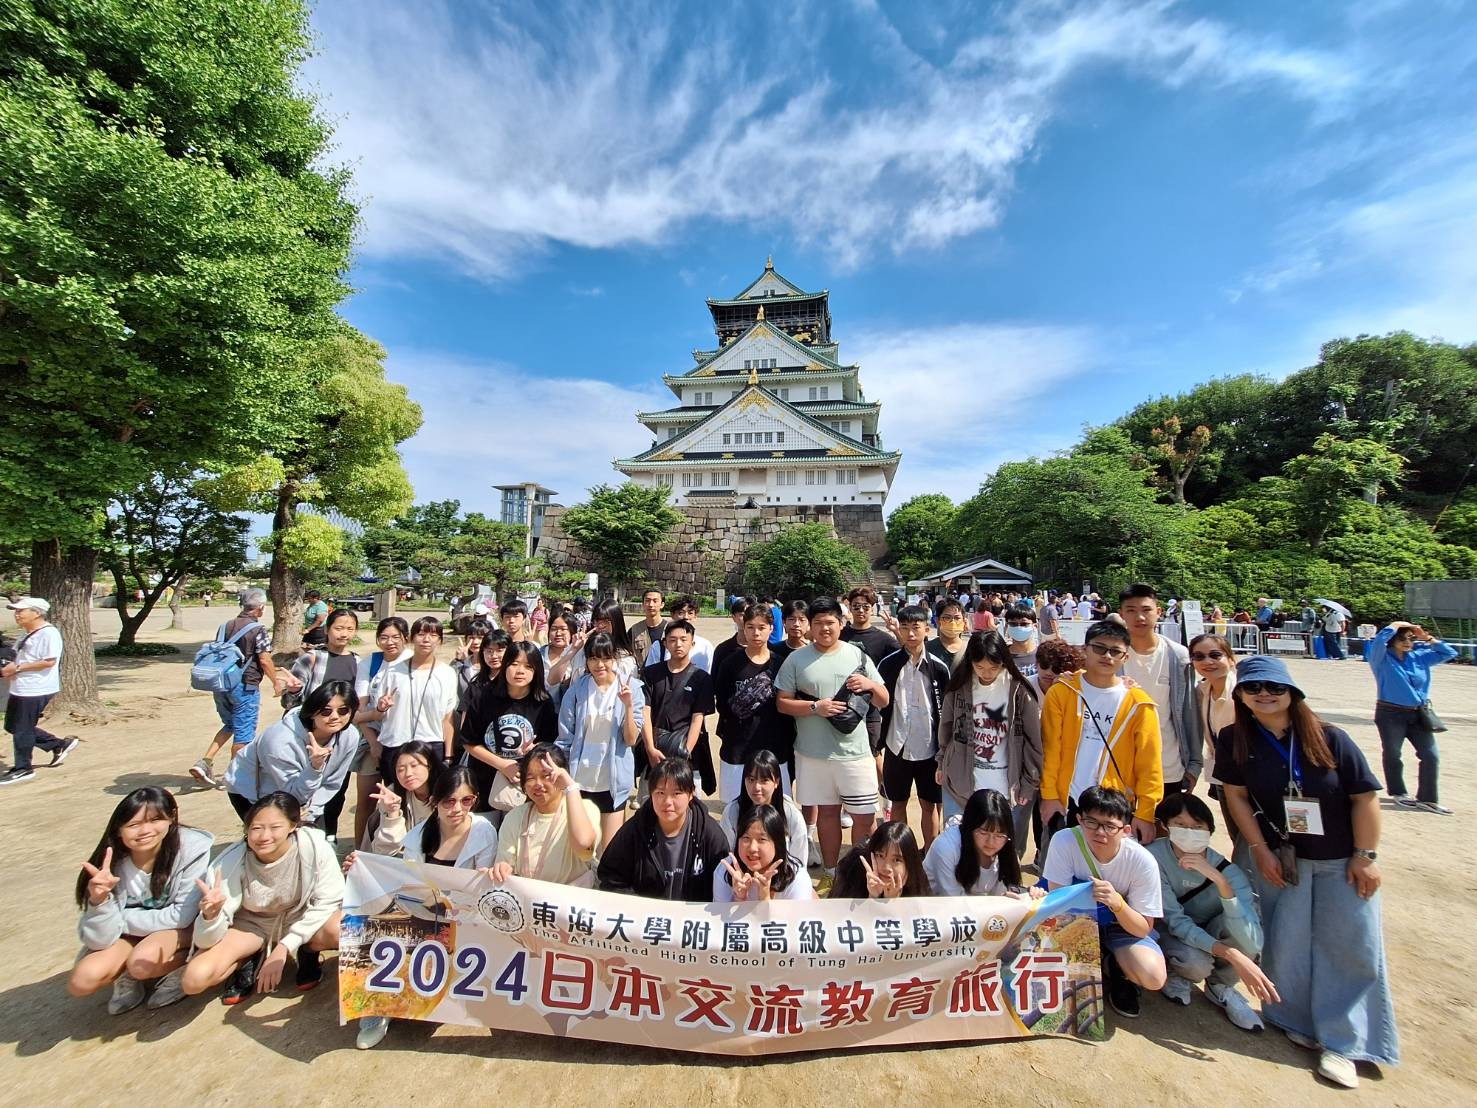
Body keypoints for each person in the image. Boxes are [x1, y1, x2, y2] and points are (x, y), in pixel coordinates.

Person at [1216, 655, 1395, 1089]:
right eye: (1253, 688)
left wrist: (1365, 855)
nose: (1264, 695)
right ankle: (1292, 1017)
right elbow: (1236, 796)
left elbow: (1364, 797)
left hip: (1339, 858)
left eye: (1274, 688)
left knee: (1349, 946)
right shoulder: (1234, 738)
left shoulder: (1330, 737)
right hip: (1283, 856)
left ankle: (1343, 1042)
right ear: (1240, 695)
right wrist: (1259, 849)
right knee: (1287, 940)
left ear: (1292, 692)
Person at [349, 765, 495, 1049]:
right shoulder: (418, 836)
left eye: (466, 800)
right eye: (449, 801)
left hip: (464, 918)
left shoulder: (484, 831)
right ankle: (377, 1008)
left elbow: (480, 891)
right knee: (377, 922)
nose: (457, 809)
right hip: (421, 912)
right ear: (435, 801)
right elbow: (404, 882)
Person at [180, 792, 343, 1004]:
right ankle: (248, 957)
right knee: (194, 980)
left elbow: (328, 901)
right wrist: (210, 917)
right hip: (251, 925)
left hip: (300, 916)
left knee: (343, 930)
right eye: (256, 828)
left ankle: (308, 950)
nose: (264, 836)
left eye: (275, 827)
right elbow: (205, 940)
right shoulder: (229, 863)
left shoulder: (314, 847)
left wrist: (285, 946)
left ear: (293, 825)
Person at [69, 788, 213, 1013]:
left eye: (155, 820)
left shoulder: (191, 849)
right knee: (83, 980)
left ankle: (180, 968)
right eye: (133, 824)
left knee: (142, 962)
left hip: (179, 930)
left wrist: (118, 918)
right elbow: (99, 940)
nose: (145, 831)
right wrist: (100, 901)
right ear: (118, 830)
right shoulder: (109, 864)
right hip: (130, 933)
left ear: (171, 818)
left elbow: (181, 916)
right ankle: (128, 974)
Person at [776, 597, 890, 876]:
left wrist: (870, 684)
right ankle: (831, 872)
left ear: (841, 623)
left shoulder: (858, 656)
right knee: (827, 815)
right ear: (810, 626)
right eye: (818, 623)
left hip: (855, 753)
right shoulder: (796, 659)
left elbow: (884, 700)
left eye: (830, 622)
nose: (824, 628)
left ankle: (862, 875)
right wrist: (816, 707)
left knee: (864, 817)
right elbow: (782, 703)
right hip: (812, 753)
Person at [1148, 792, 1275, 1032]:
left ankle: (1221, 985)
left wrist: (1221, 883)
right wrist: (1231, 954)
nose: (1189, 832)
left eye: (1198, 827)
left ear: (1210, 830)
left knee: (1240, 926)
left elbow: (1252, 941)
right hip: (1173, 933)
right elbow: (1176, 921)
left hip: (1209, 930)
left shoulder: (1228, 871)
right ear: (1165, 826)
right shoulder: (1154, 857)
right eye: (1180, 825)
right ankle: (1177, 973)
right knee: (1195, 963)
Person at [1043, 785, 1166, 1018]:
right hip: (1076, 922)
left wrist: (1118, 904)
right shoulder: (1064, 840)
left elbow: (1143, 928)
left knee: (1153, 976)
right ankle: (1097, 960)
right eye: (1091, 822)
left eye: (1110, 826)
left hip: (1122, 926)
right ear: (1079, 820)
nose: (1100, 832)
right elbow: (1058, 905)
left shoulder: (1142, 861)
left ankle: (1116, 967)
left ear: (1126, 830)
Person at [1039, 620, 1163, 844]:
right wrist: (1049, 795)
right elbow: (1051, 750)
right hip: (1068, 800)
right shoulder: (1061, 693)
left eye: (1115, 651)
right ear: (1084, 649)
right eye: (1099, 648)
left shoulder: (1139, 704)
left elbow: (1149, 763)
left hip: (1114, 805)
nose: (1107, 656)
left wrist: (1145, 813)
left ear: (1126, 657)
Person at [937, 631, 1041, 849]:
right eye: (980, 667)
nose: (986, 673)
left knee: (1004, 848)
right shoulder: (958, 688)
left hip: (1007, 786)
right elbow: (946, 728)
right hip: (961, 782)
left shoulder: (1019, 690)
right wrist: (941, 762)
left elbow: (1033, 741)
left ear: (1004, 661)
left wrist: (1029, 783)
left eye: (993, 667)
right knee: (959, 845)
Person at [224, 680, 361, 825]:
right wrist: (315, 767)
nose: (335, 717)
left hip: (303, 796)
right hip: (252, 790)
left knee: (313, 835)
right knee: (272, 835)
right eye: (326, 711)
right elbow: (294, 795)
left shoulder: (350, 736)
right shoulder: (279, 741)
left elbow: (332, 783)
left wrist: (311, 810)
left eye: (343, 710)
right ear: (312, 712)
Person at [557, 631, 646, 847]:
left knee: (610, 848)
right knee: (581, 847)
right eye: (593, 658)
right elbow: (565, 738)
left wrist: (628, 705)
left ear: (614, 658)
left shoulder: (632, 688)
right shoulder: (576, 690)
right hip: (580, 778)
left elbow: (631, 739)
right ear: (586, 660)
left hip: (612, 780)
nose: (600, 665)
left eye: (606, 658)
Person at [597, 758, 729, 900]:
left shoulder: (709, 833)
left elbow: (726, 882)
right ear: (651, 793)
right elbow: (610, 876)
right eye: (660, 793)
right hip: (647, 913)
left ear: (691, 794)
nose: (667, 802)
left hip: (693, 913)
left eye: (676, 793)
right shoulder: (636, 828)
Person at [189, 589, 282, 788]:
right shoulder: (258, 629)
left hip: (220, 684)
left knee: (231, 724)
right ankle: (234, 776)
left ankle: (205, 761)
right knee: (244, 733)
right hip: (245, 686)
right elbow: (264, 660)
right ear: (260, 608)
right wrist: (275, 682)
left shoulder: (225, 626)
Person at [1118, 584, 1201, 798]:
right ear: (1121, 614)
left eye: (1146, 610)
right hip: (1119, 766)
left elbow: (1189, 711)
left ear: (1158, 612)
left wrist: (1194, 763)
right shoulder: (1110, 656)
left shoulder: (1178, 656)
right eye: (1131, 610)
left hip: (1167, 765)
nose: (1140, 617)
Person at [877, 605, 951, 846]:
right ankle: (901, 852)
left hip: (929, 746)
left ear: (927, 629)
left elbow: (946, 709)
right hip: (896, 744)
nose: (910, 633)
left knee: (929, 805)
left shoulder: (938, 667)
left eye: (916, 627)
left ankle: (930, 853)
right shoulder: (888, 665)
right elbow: (878, 703)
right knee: (897, 803)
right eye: (905, 627)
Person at [1367, 620, 1458, 814]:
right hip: (1390, 713)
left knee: (1431, 755)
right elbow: (1377, 643)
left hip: (1418, 713)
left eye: (1410, 638)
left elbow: (1450, 653)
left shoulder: (1419, 657)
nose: (1408, 642)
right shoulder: (1381, 659)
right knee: (1393, 754)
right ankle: (1399, 792)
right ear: (1392, 640)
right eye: (1402, 638)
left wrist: (1428, 638)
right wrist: (1394, 625)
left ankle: (1427, 799)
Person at [461, 640, 557, 814]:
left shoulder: (543, 703)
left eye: (528, 666)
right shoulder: (484, 697)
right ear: (505, 665)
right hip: (483, 781)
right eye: (514, 664)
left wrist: (535, 750)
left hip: (521, 788)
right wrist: (502, 765)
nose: (520, 671)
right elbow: (469, 742)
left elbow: (548, 744)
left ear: (537, 670)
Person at [486, 743, 601, 887]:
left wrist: (571, 787)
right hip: (528, 897)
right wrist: (502, 869)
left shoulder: (585, 808)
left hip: (571, 896)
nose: (538, 784)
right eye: (530, 778)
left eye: (546, 776)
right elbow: (505, 864)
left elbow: (584, 848)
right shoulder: (515, 817)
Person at [343, 616, 412, 847]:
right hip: (370, 739)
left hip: (403, 742)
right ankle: (360, 851)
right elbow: (359, 710)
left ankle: (399, 849)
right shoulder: (370, 663)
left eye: (395, 637)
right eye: (383, 637)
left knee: (402, 800)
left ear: (405, 638)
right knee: (366, 799)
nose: (389, 642)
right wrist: (374, 742)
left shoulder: (412, 662)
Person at [713, 604, 790, 802]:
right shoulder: (730, 663)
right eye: (750, 627)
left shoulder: (781, 663)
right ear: (743, 627)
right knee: (734, 805)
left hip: (774, 745)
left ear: (771, 628)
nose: (756, 633)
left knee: (775, 805)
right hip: (738, 745)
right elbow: (721, 703)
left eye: (762, 627)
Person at [0, 596, 78, 785]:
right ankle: (58, 744)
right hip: (20, 687)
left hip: (35, 688)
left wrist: (18, 668)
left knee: (22, 729)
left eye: (21, 611)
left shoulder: (48, 633)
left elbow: (49, 661)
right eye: (16, 611)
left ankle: (23, 768)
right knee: (12, 726)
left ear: (36, 613)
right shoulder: (26, 633)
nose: (17, 614)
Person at [923, 788, 1044, 899]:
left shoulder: (1007, 855)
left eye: (999, 835)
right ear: (970, 827)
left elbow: (1003, 896)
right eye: (983, 832)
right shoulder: (946, 848)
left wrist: (1028, 895)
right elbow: (954, 902)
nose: (991, 842)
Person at [640, 618, 715, 777]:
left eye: (683, 640)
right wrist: (650, 749)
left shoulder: (701, 678)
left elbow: (697, 719)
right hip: (655, 750)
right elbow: (645, 711)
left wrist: (685, 752)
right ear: (665, 643)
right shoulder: (650, 674)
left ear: (692, 644)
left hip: (686, 752)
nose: (678, 644)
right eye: (672, 640)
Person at [719, 750, 809, 871]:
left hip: (782, 879)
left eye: (764, 780)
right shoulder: (732, 812)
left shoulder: (791, 815)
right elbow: (726, 857)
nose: (756, 787)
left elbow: (799, 863)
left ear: (776, 782)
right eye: (751, 780)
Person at [841, 585, 899, 761]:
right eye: (856, 606)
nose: (861, 610)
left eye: (866, 607)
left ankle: (882, 781)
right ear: (849, 608)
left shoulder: (883, 639)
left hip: (870, 706)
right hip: (840, 702)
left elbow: (906, 654)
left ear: (872, 608)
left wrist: (896, 631)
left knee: (874, 754)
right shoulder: (840, 634)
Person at [1189, 633, 1238, 831]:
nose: (1207, 661)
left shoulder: (1243, 691)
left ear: (1231, 659)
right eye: (1199, 656)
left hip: (1249, 776)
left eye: (1215, 655)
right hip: (1222, 772)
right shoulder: (1203, 691)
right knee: (1236, 833)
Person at [358, 741, 444, 854]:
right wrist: (392, 814)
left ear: (430, 765)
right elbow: (384, 851)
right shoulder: (393, 794)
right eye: (401, 769)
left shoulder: (448, 792)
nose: (408, 773)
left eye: (414, 766)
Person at [715, 804, 813, 902]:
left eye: (762, 839)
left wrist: (765, 897)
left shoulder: (797, 878)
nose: (752, 848)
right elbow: (720, 911)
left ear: (778, 844)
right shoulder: (725, 871)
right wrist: (739, 897)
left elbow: (799, 912)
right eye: (746, 838)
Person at [827, 821, 928, 899]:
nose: (886, 867)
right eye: (880, 856)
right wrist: (872, 897)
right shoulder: (852, 871)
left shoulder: (918, 882)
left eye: (896, 860)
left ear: (910, 863)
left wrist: (893, 903)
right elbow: (837, 915)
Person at [641, 595, 715, 672]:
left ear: (695, 616)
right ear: (672, 615)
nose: (686, 617)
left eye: (690, 613)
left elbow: (710, 673)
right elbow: (650, 674)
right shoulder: (659, 646)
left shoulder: (705, 646)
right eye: (681, 613)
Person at [541, 609, 583, 706]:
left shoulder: (579, 656)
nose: (558, 633)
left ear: (572, 631)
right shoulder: (539, 654)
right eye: (554, 629)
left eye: (563, 629)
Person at [926, 598, 969, 673]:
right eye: (947, 618)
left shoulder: (971, 649)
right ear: (938, 621)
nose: (952, 622)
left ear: (964, 621)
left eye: (957, 618)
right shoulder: (926, 649)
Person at [629, 587, 668, 661]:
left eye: (655, 601)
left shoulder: (671, 629)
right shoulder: (634, 630)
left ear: (662, 604)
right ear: (643, 604)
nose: (651, 604)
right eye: (647, 601)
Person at [1003, 606, 1040, 676]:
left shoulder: (1043, 655)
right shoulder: (1000, 657)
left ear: (1035, 626)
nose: (1018, 627)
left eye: (1024, 624)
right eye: (1013, 624)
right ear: (1007, 626)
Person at [772, 599, 810, 664]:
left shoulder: (814, 650)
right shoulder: (774, 650)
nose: (796, 624)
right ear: (784, 622)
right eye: (791, 619)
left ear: (809, 624)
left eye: (802, 620)